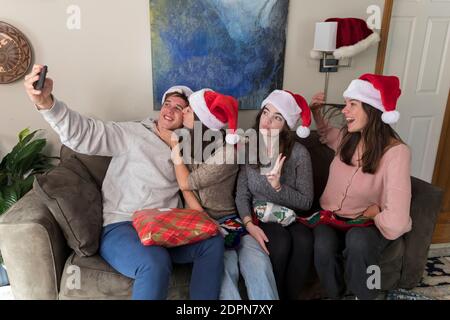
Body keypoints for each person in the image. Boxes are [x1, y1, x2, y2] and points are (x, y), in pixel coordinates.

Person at [23, 65, 224, 300]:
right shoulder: (131, 133)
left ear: (187, 116)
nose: (169, 110)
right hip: (123, 225)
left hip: (165, 226)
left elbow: (223, 152)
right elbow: (84, 133)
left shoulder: (190, 147)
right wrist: (48, 104)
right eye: (167, 104)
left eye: (179, 108)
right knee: (154, 261)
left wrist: (182, 139)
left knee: (213, 241)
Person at [310, 73, 412, 300]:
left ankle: (367, 295)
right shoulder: (349, 137)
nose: (345, 111)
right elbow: (327, 135)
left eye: (352, 104)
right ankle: (335, 296)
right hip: (333, 217)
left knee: (359, 242)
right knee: (322, 246)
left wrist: (376, 214)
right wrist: (316, 113)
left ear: (373, 109)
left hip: (367, 223)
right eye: (346, 104)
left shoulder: (397, 153)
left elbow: (396, 222)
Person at [235, 90, 315, 299]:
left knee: (305, 240)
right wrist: (249, 225)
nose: (267, 122)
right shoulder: (249, 147)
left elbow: (306, 202)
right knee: (280, 243)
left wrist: (278, 187)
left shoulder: (299, 154)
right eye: (265, 113)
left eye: (277, 117)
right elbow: (241, 194)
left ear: (286, 127)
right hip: (261, 215)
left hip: (292, 214)